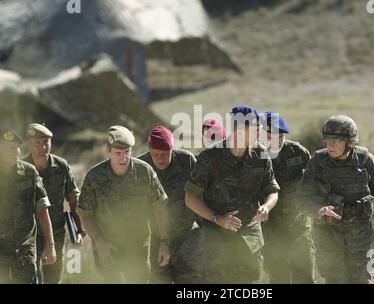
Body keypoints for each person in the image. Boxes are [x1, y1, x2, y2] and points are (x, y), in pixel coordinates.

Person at [185, 105, 280, 283]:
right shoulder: (210, 157)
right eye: (254, 127)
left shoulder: (260, 154)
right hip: (216, 239)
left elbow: (272, 190)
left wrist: (266, 208)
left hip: (250, 238)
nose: (259, 131)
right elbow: (190, 198)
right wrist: (216, 218)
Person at [299, 115, 374, 283]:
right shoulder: (317, 162)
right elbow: (302, 198)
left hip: (361, 238)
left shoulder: (365, 160)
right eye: (328, 140)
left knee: (363, 280)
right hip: (327, 237)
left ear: (349, 142)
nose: (331, 145)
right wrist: (318, 210)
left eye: (337, 140)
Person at [77, 125, 170, 283]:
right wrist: (99, 242)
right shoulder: (94, 177)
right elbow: (85, 214)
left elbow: (160, 208)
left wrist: (165, 243)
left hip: (138, 248)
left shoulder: (144, 172)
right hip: (108, 248)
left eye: (127, 152)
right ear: (108, 151)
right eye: (118, 153)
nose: (123, 158)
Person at [138, 126, 202, 284]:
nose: (160, 159)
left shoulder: (187, 161)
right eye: (156, 154)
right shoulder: (140, 167)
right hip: (155, 241)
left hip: (187, 238)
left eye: (165, 154)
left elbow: (201, 196)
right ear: (149, 150)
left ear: (172, 148)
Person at [24, 123, 84, 284]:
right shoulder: (22, 169)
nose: (43, 146)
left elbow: (73, 199)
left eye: (46, 142)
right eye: (38, 142)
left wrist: (79, 229)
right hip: (29, 235)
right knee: (30, 279)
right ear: (29, 144)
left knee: (54, 279)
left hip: (57, 232)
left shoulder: (61, 166)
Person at [259, 112, 315, 284]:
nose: (276, 140)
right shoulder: (254, 157)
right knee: (278, 277)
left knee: (304, 277)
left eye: (280, 136)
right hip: (271, 229)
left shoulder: (298, 152)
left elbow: (314, 184)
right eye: (270, 136)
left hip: (298, 227)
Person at [0, 127, 56, 283]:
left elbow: (42, 209)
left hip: (25, 248)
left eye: (17, 148)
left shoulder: (29, 172)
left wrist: (50, 245)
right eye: (9, 148)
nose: (16, 152)